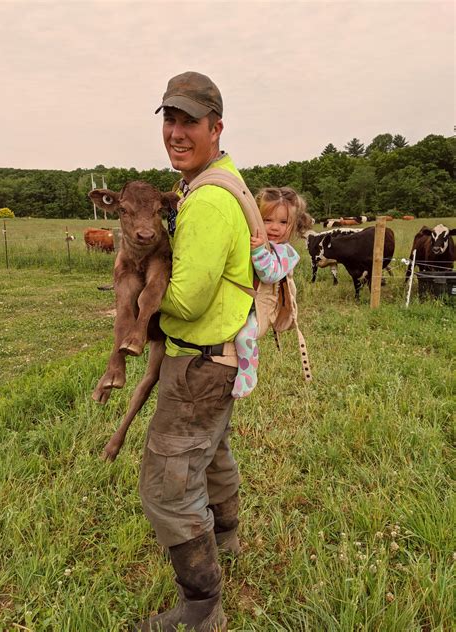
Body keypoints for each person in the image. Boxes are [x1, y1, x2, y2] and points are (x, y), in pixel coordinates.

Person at [136, 71, 253, 632]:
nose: (176, 133)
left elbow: (186, 297)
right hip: (225, 356)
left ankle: (201, 608)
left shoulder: (206, 201)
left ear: (217, 127)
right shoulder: (223, 179)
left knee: (169, 482)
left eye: (190, 122)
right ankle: (226, 537)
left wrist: (137, 302)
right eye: (170, 120)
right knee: (210, 452)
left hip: (198, 362)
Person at [231, 187, 312, 399]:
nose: (274, 227)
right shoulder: (251, 240)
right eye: (267, 220)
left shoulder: (287, 253)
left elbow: (270, 274)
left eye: (283, 222)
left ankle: (248, 375)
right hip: (241, 302)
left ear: (293, 225)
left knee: (244, 337)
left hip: (261, 310)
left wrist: (258, 251)